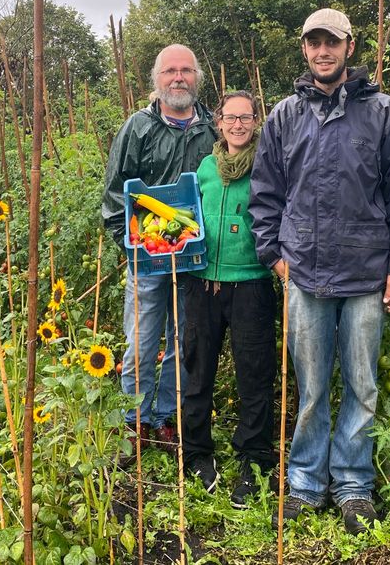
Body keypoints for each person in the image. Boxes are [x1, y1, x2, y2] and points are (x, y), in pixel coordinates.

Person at [249, 8, 390, 535]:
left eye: (332, 42)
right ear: (304, 50)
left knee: (362, 384)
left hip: (367, 274)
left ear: (350, 47)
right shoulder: (284, 116)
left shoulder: (385, 114)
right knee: (310, 386)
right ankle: (304, 481)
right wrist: (275, 256)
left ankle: (352, 484)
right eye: (313, 43)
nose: (322, 51)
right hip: (304, 272)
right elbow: (265, 196)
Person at [102, 44, 218, 455]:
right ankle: (134, 420)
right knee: (141, 340)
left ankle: (166, 416)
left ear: (197, 77)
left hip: (192, 256)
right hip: (147, 258)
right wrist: (133, 246)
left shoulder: (213, 128)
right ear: (157, 79)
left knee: (182, 341)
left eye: (186, 70)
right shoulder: (138, 127)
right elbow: (117, 195)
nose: (179, 78)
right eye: (171, 71)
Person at [181, 91, 278, 506]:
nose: (238, 125)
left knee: (254, 375)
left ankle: (254, 461)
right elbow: (186, 215)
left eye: (246, 117)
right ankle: (198, 454)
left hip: (252, 283)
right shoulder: (204, 167)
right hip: (202, 283)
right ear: (217, 122)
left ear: (257, 121)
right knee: (197, 370)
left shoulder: (270, 165)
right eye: (230, 118)